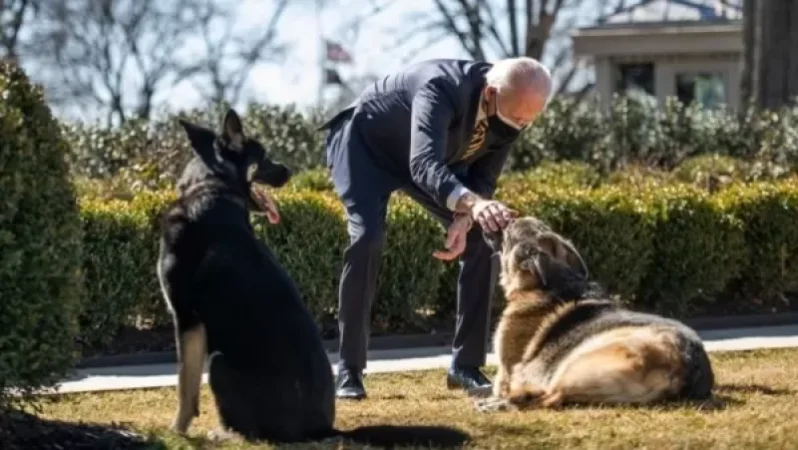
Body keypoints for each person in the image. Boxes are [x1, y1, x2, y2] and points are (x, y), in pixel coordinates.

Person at [319, 57, 553, 400]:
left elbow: (483, 177)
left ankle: (465, 367)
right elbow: (424, 164)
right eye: (516, 118)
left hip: (426, 161)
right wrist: (472, 203)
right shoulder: (440, 88)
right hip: (364, 149)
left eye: (527, 122)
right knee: (367, 238)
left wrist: (464, 217)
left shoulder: (513, 105)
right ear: (489, 93)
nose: (519, 127)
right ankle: (349, 371)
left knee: (482, 240)